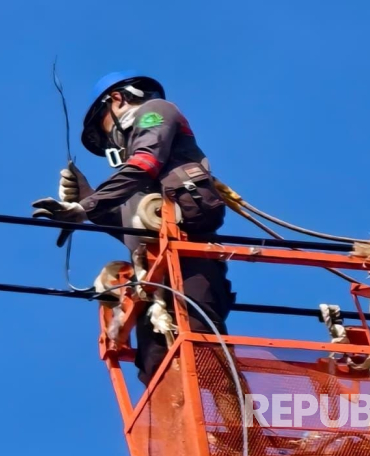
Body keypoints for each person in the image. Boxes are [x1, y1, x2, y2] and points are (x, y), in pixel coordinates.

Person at [31, 71, 235, 386]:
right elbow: (131, 229)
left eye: (107, 129)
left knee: (203, 346)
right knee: (155, 368)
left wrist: (85, 207)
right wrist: (86, 198)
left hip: (191, 260)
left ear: (118, 99)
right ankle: (193, 429)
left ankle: (241, 430)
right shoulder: (134, 185)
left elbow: (146, 163)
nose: (112, 140)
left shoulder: (155, 111)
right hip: (154, 276)